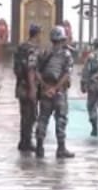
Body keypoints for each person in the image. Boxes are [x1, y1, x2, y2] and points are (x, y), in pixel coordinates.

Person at [34, 26, 75, 159]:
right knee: (61, 119)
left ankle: (39, 147)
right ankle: (61, 148)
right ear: (63, 39)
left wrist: (45, 87)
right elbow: (66, 74)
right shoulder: (67, 54)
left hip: (46, 91)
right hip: (59, 92)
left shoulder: (44, 53)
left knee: (43, 118)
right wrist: (56, 88)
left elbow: (36, 71)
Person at [13, 24, 41, 152]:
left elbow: (16, 68)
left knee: (24, 115)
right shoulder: (32, 50)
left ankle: (23, 141)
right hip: (29, 86)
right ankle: (27, 142)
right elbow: (31, 70)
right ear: (37, 34)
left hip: (20, 85)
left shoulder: (21, 47)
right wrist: (33, 89)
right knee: (31, 115)